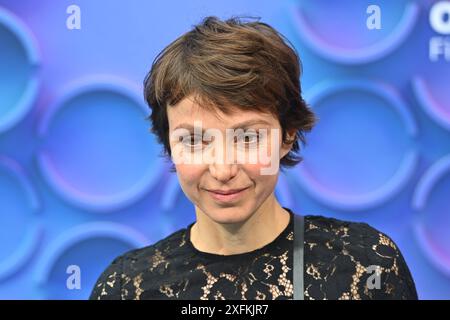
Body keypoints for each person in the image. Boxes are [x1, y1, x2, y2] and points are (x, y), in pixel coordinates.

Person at [89, 16, 418, 300]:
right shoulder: (126, 286)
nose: (223, 169)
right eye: (193, 140)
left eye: (247, 138)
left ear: (287, 136)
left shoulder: (367, 263)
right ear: (170, 145)